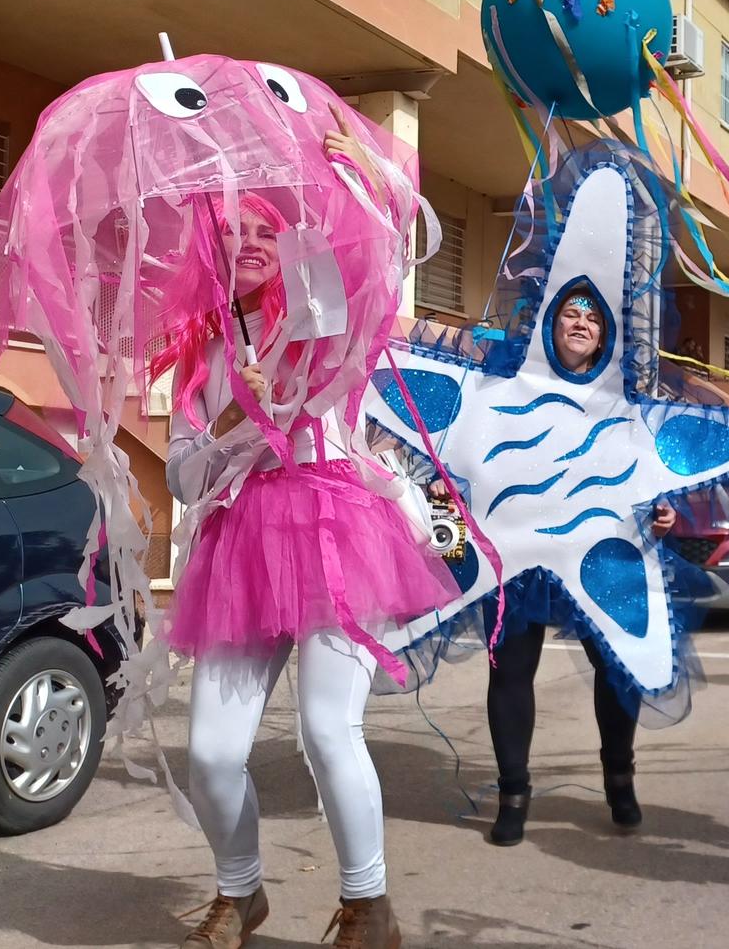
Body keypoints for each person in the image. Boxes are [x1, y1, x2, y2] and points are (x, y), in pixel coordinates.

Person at [161, 161, 460, 943]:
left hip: (336, 527)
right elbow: (185, 478)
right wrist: (232, 415)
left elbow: (384, 261)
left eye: (267, 229)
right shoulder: (202, 357)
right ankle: (240, 891)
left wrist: (360, 179)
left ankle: (369, 906)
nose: (252, 243)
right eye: (235, 233)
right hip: (241, 548)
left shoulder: (324, 315)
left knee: (329, 728)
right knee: (211, 755)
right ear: (212, 253)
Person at [481, 287, 677, 847]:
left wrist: (664, 512)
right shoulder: (508, 385)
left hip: (600, 555)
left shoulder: (624, 399)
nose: (582, 322)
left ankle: (620, 776)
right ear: (551, 322)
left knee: (618, 667)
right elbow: (464, 457)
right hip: (520, 557)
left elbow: (654, 473)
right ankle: (513, 794)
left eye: (593, 317)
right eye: (570, 312)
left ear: (605, 335)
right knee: (510, 670)